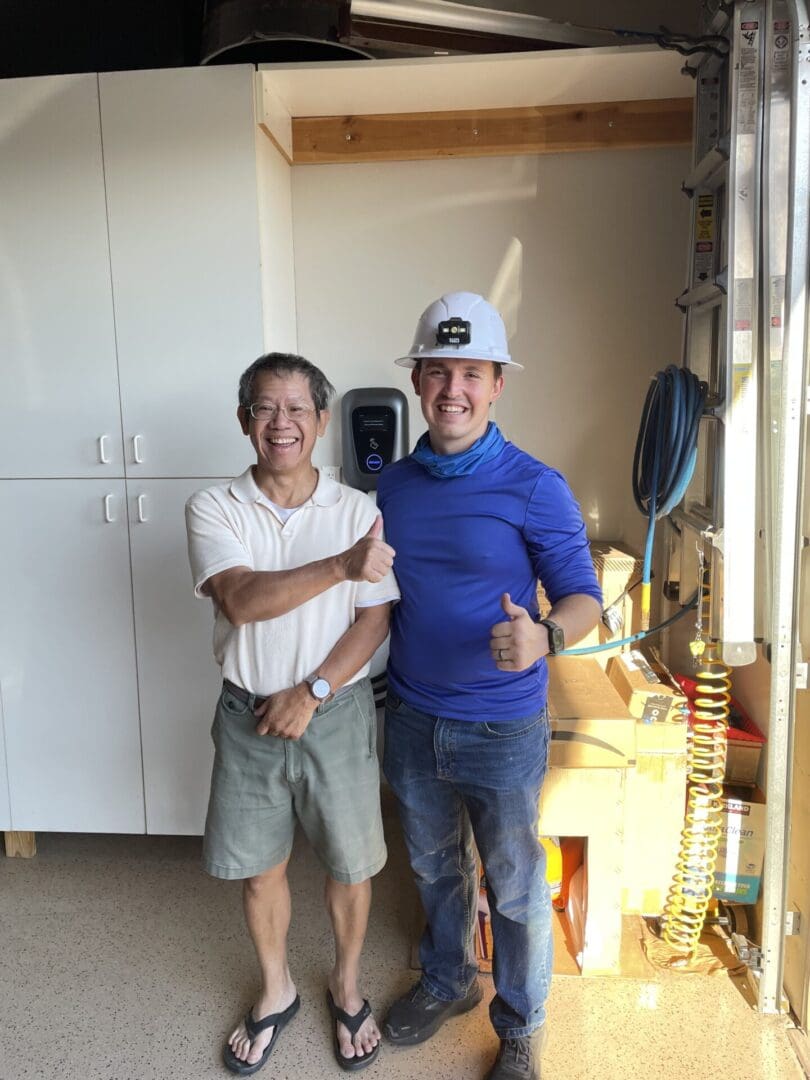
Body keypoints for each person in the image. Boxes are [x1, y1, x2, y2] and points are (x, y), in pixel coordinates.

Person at [376, 293, 602, 1080]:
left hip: (502, 729)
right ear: (417, 382)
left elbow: (584, 597)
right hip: (410, 716)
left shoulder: (534, 485)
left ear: (497, 382)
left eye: (470, 373)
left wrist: (547, 634)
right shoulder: (395, 487)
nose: (453, 390)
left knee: (512, 886)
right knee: (435, 868)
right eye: (438, 372)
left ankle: (521, 1025)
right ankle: (446, 981)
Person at [185, 352, 399, 1076]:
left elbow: (374, 621)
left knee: (351, 863)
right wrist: (340, 566)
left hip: (330, 712)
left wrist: (312, 692)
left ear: (322, 421)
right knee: (258, 869)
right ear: (245, 421)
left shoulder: (357, 510)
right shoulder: (214, 507)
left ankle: (345, 983)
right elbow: (241, 599)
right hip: (247, 716)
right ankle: (276, 991)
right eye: (267, 409)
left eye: (297, 409)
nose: (283, 424)